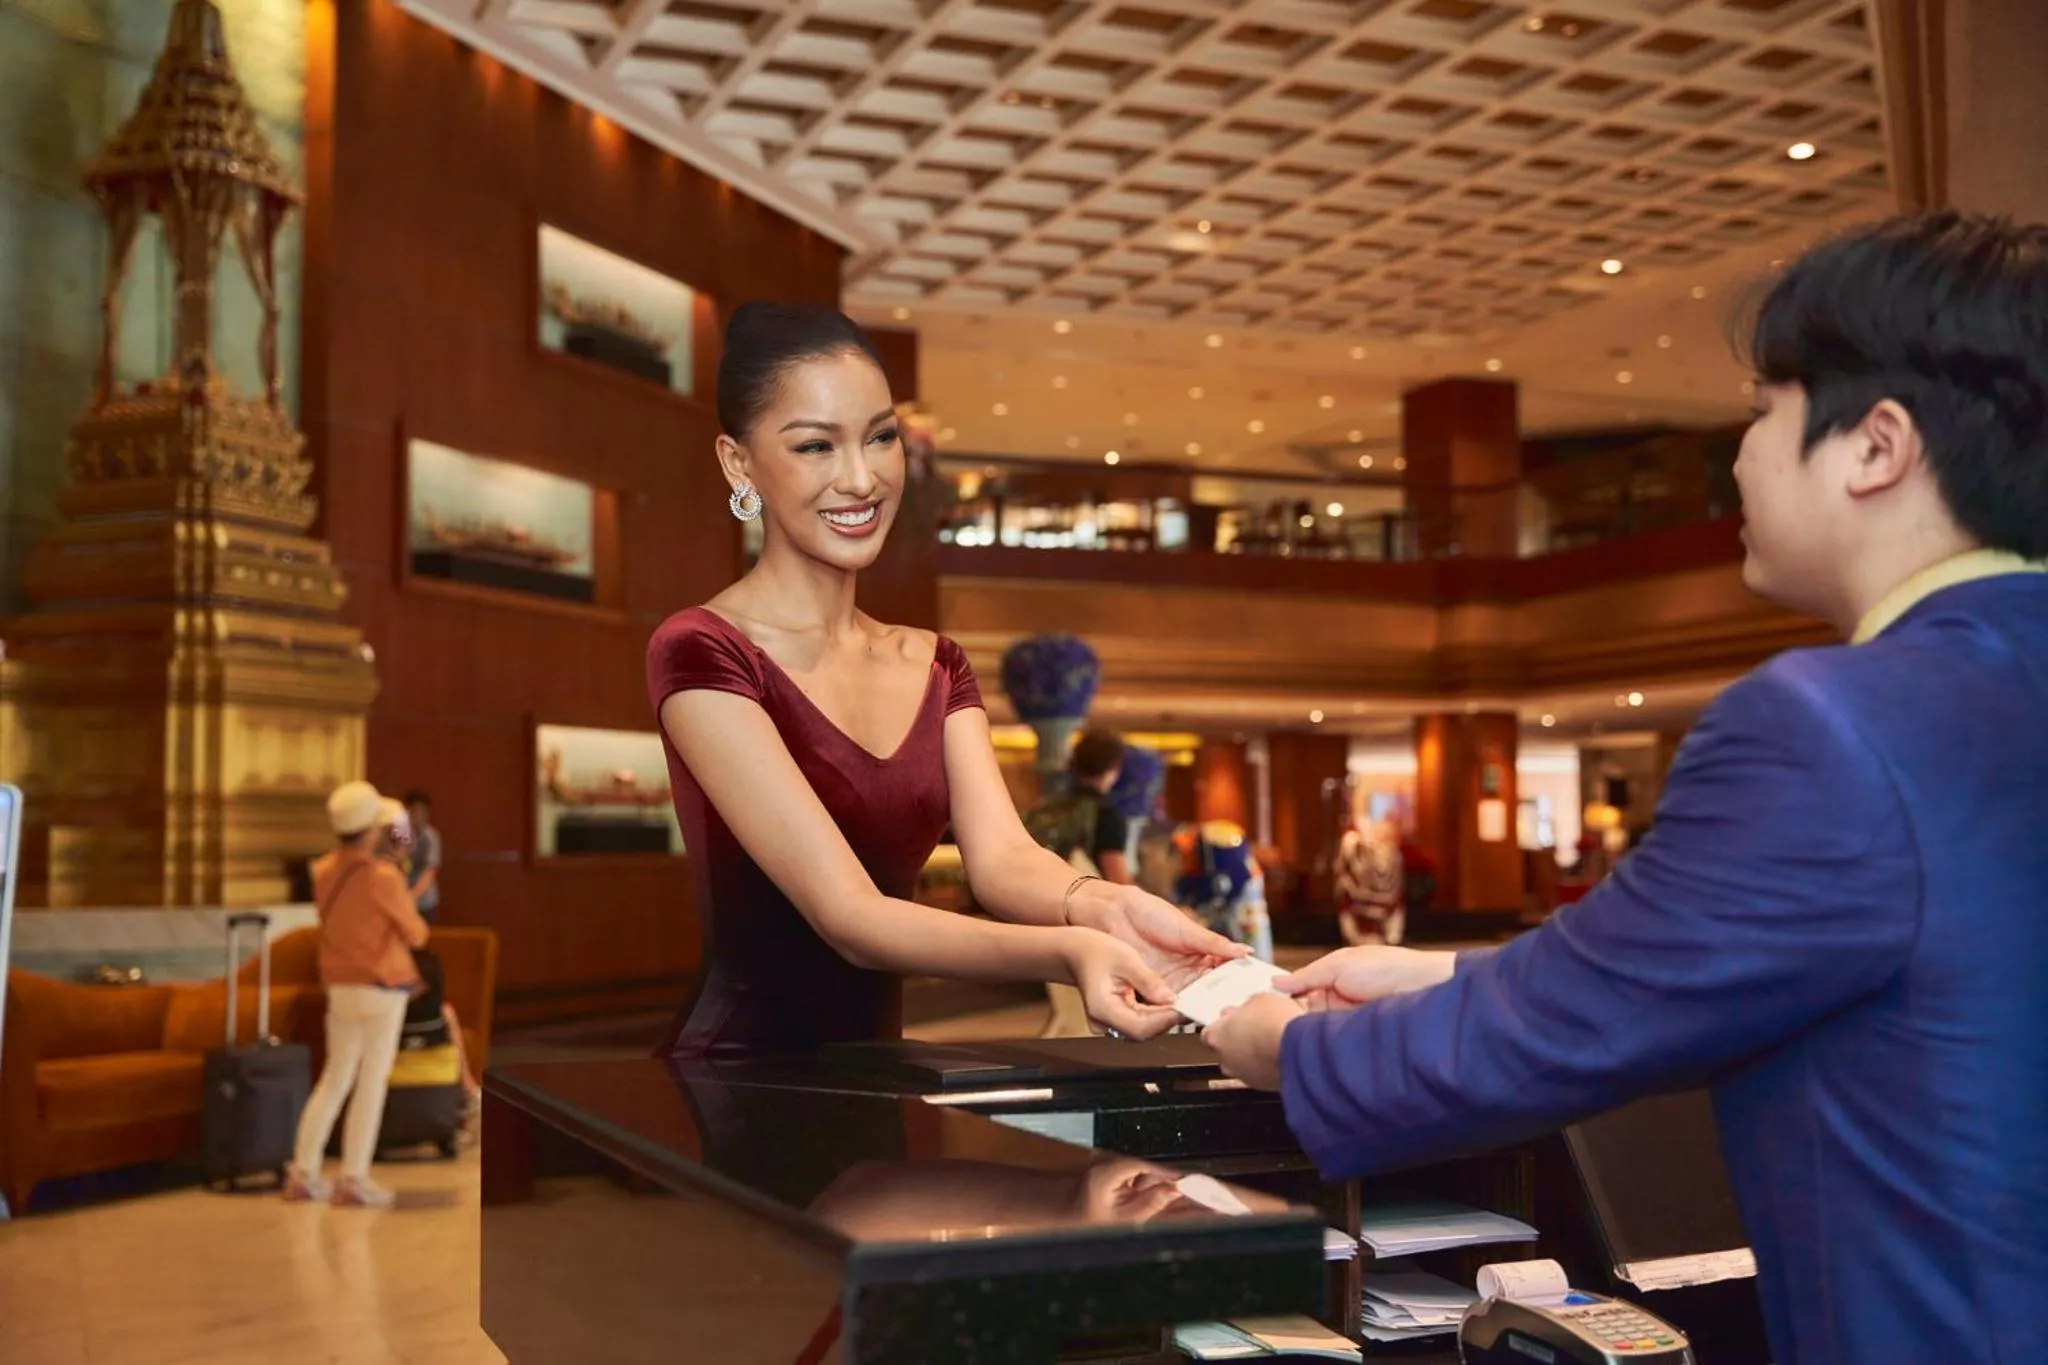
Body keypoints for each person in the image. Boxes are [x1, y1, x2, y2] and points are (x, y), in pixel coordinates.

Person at [1204, 212, 2048, 1363]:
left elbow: (1555, 1035)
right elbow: (1789, 961)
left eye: (1759, 414)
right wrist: (1440, 970)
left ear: (1874, 445)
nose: (1737, 456)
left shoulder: (1829, 724)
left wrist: (1277, 1048)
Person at [646, 303, 1242, 1059]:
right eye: (815, 446)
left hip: (878, 1066)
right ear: (739, 463)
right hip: (738, 1082)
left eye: (881, 437)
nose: (861, 478)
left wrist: (1112, 906)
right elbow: (849, 915)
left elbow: (1004, 861)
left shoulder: (936, 663)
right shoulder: (702, 650)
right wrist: (1066, 953)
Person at [285, 783, 430, 1208]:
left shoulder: (324, 870)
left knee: (334, 1078)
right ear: (371, 829)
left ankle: (303, 1171)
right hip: (382, 987)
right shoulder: (383, 877)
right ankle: (353, 1176)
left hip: (340, 986)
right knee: (371, 1082)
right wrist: (398, 842)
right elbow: (417, 934)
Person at [1024, 729, 1134, 884]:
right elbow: (1117, 879)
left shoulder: (1047, 805)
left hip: (1038, 894)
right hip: (1080, 901)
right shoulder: (1106, 814)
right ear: (1113, 768)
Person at [402, 788, 441, 924]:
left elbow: (429, 872)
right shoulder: (399, 834)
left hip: (424, 902)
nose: (417, 815)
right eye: (414, 810)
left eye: (422, 811)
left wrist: (411, 896)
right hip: (400, 899)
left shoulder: (431, 837)